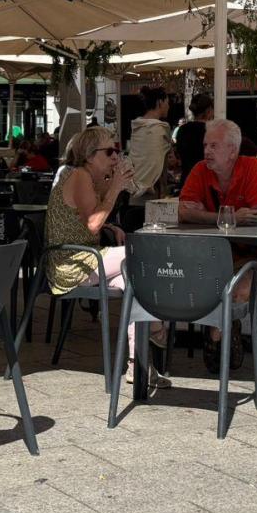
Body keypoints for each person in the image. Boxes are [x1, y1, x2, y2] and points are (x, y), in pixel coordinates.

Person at [43, 126, 167, 387]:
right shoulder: (78, 175)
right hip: (70, 263)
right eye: (110, 151)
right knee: (140, 256)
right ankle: (157, 328)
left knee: (132, 282)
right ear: (89, 155)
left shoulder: (87, 176)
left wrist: (111, 222)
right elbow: (91, 224)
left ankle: (137, 363)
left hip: (85, 256)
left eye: (117, 150)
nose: (115, 157)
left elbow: (82, 218)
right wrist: (116, 189)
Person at [178, 118, 257, 371]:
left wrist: (206, 217)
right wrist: (229, 217)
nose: (207, 151)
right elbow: (184, 213)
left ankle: (216, 334)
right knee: (206, 287)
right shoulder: (200, 170)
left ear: (232, 150)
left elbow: (256, 213)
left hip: (245, 253)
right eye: (206, 145)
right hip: (207, 255)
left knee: (239, 291)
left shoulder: (252, 167)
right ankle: (225, 332)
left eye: (214, 146)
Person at [127, 86, 175, 200]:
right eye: (167, 102)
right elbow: (166, 161)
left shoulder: (137, 127)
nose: (168, 106)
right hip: (152, 190)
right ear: (160, 102)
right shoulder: (161, 129)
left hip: (132, 186)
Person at [174, 93, 213, 185]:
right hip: (206, 182)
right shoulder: (212, 131)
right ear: (208, 110)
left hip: (187, 179)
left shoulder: (182, 130)